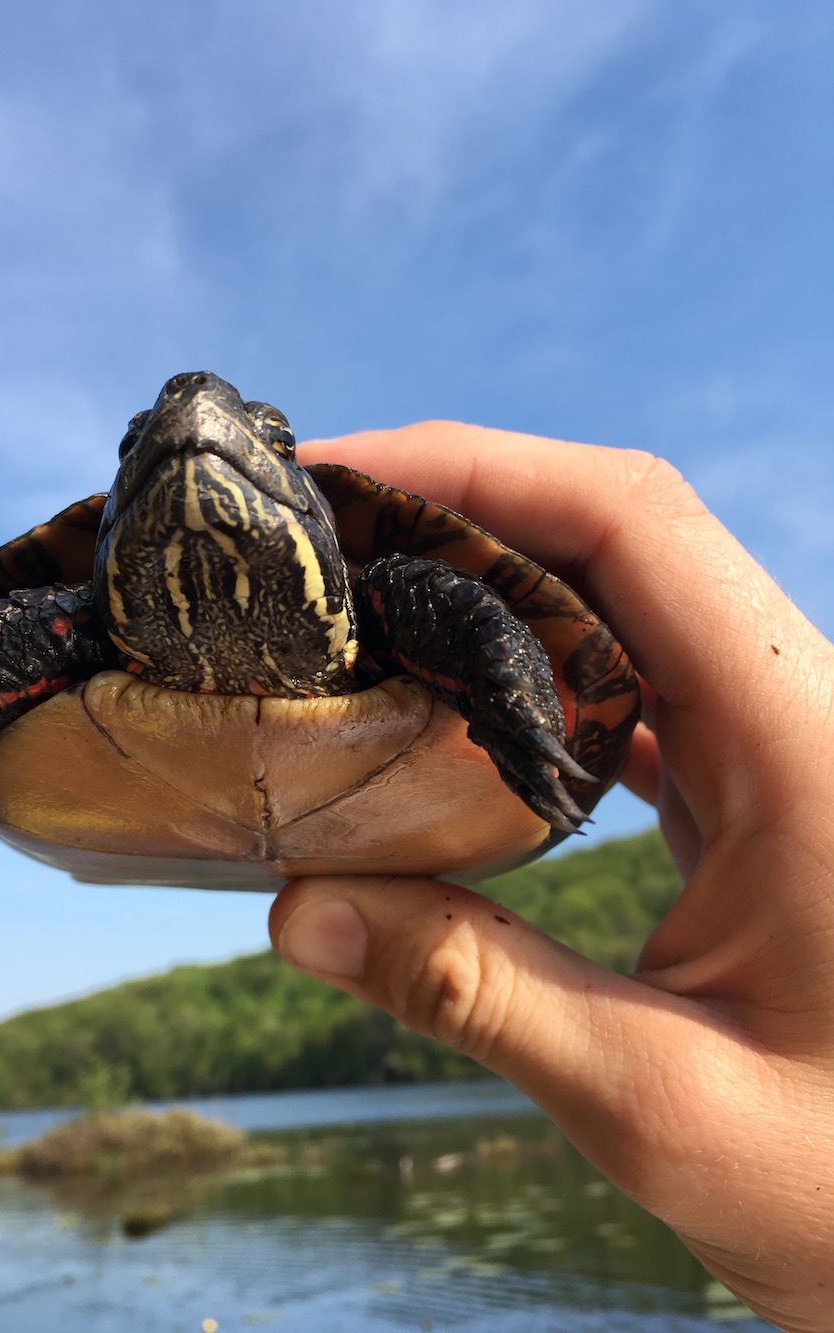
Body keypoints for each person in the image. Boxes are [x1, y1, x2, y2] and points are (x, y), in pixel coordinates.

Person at [268, 421, 834, 1333]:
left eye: (267, 439)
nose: (195, 423)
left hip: (422, 679)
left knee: (440, 603)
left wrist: (516, 693)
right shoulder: (70, 618)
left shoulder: (390, 598)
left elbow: (475, 613)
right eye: (148, 442)